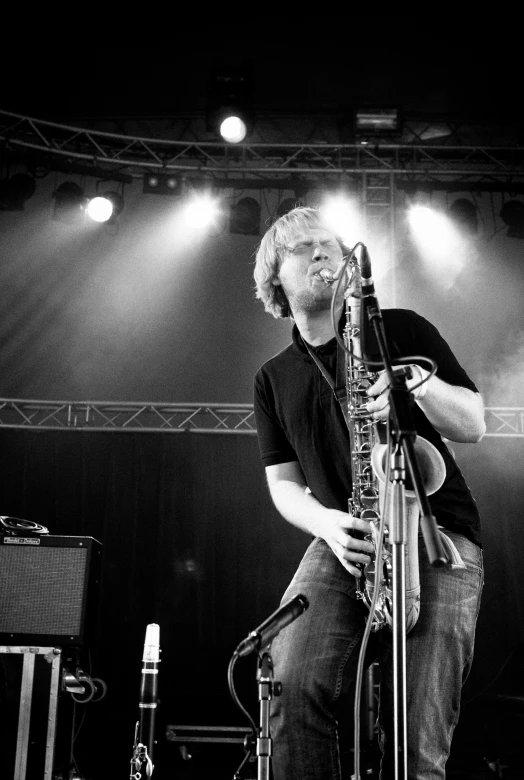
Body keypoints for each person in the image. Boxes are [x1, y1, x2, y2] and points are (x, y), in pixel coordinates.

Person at [252, 206, 485, 780]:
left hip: (437, 533)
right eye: (303, 247)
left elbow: (474, 424)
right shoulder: (273, 376)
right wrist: (327, 525)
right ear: (273, 278)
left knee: (417, 736)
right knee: (290, 682)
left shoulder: (399, 327)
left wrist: (419, 383)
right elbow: (284, 487)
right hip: (345, 538)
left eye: (329, 244)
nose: (323, 253)